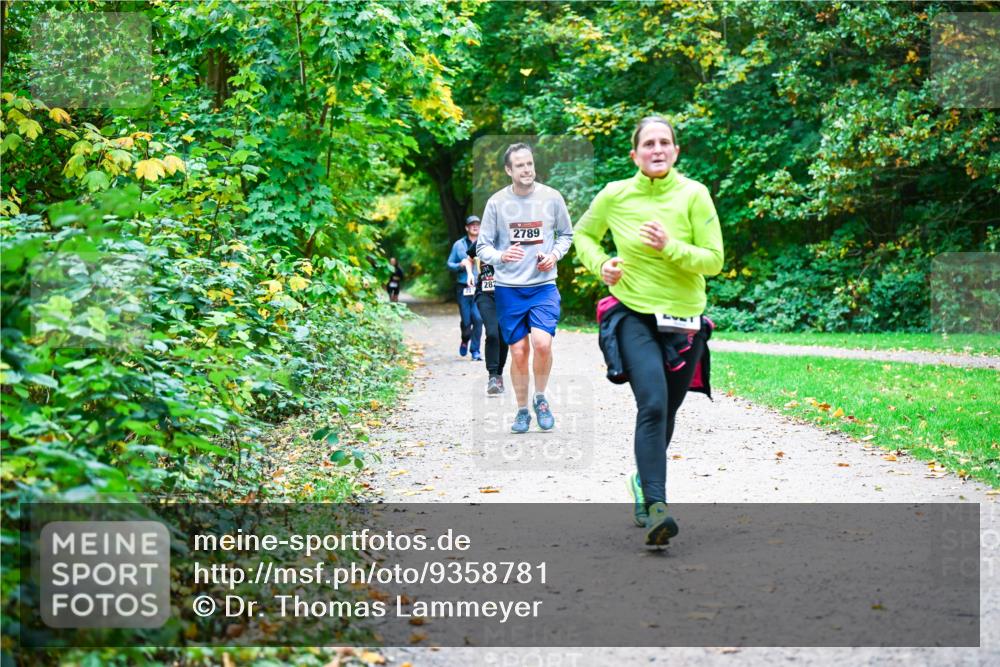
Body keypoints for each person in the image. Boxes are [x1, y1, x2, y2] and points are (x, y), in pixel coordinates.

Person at [573, 116, 724, 547]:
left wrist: (669, 247)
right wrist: (600, 264)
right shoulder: (615, 195)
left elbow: (714, 260)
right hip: (633, 312)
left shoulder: (694, 195)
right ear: (634, 154)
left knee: (669, 410)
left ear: (676, 151)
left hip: (684, 320)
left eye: (665, 143)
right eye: (649, 144)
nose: (657, 149)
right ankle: (658, 506)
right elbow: (583, 235)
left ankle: (642, 481)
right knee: (653, 404)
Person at [477, 143, 573, 433]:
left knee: (542, 343)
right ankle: (522, 411)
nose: (527, 169)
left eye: (529, 163)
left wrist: (553, 255)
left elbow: (566, 234)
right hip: (509, 288)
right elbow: (483, 246)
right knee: (518, 351)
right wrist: (501, 257)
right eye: (519, 165)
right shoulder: (496, 203)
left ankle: (540, 398)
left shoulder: (551, 198)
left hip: (543, 286)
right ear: (509, 170)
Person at [462, 236, 507, 395]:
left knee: (503, 337)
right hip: (485, 295)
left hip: (508, 295)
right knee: (493, 333)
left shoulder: (509, 238)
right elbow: (468, 259)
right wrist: (470, 274)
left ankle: (499, 375)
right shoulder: (482, 240)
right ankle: (493, 376)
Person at [446, 216, 484, 361]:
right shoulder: (459, 245)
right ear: (467, 228)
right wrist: (460, 265)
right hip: (463, 287)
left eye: (477, 224)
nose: (475, 227)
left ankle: (475, 351)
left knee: (479, 319)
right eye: (472, 225)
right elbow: (449, 264)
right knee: (467, 321)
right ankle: (465, 339)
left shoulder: (485, 243)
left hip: (480, 287)